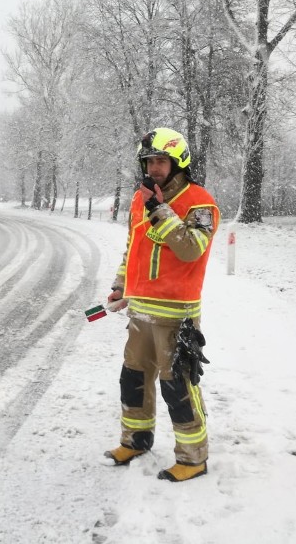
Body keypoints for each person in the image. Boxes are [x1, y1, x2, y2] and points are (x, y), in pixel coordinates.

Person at [104, 127, 220, 482]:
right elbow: (133, 248)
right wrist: (120, 285)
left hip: (176, 314)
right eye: (149, 161)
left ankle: (193, 458)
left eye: (161, 161)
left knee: (178, 386)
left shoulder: (200, 201)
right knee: (133, 378)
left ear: (178, 162)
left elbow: (190, 250)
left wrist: (162, 211)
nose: (154, 168)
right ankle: (136, 440)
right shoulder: (140, 199)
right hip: (140, 310)